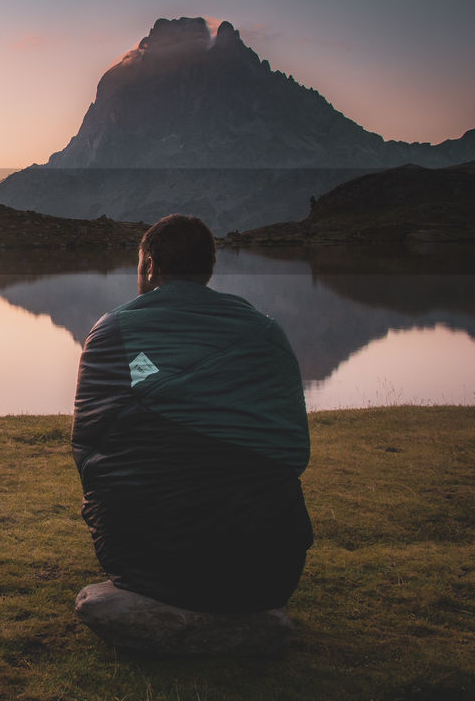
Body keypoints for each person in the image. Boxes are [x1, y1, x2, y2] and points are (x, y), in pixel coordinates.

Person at [71, 214, 312, 613]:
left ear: (149, 265)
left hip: (148, 561)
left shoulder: (113, 332)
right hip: (269, 568)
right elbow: (293, 453)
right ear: (209, 268)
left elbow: (87, 447)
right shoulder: (265, 333)